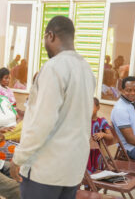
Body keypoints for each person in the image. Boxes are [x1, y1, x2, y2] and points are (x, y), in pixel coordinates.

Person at [9, 16, 96, 199]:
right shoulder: (86, 68)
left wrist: (18, 158)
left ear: (50, 36)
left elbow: (41, 122)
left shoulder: (53, 67)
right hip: (73, 168)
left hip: (45, 169)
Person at [111, 76, 135, 163]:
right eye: (129, 90)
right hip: (131, 148)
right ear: (122, 90)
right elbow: (130, 139)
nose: (133, 93)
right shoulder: (120, 109)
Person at [87, 97, 113, 173]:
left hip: (96, 152)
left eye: (91, 106)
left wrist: (103, 134)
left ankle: (95, 184)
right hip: (85, 152)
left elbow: (111, 137)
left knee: (97, 172)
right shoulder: (83, 121)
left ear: (98, 107)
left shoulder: (101, 121)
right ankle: (87, 184)